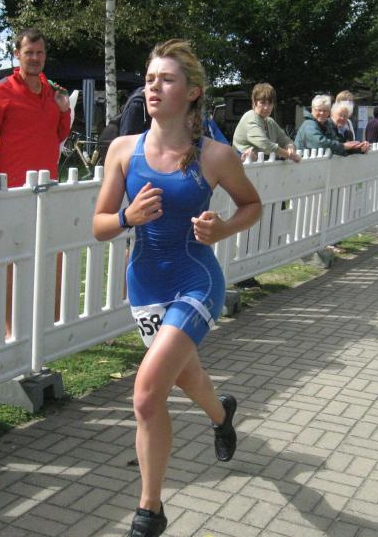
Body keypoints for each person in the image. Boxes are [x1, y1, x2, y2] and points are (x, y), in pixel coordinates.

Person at [92, 39, 262, 537]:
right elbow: (99, 225)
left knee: (147, 394)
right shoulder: (123, 150)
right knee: (187, 377)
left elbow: (251, 205)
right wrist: (127, 216)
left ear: (192, 92)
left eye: (166, 80)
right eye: (149, 79)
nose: (153, 87)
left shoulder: (215, 155)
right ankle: (221, 415)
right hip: (145, 284)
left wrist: (221, 228)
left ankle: (150, 512)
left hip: (195, 281)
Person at [0, 28, 71, 331]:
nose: (34, 58)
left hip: (48, 188)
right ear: (17, 54)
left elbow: (60, 134)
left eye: (39, 52)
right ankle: (10, 329)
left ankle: (52, 325)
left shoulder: (53, 91)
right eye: (28, 52)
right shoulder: (0, 90)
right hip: (14, 191)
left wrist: (64, 111)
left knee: (53, 254)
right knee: (11, 260)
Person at [232, 83, 299, 162]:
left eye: (270, 103)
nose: (266, 107)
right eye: (262, 103)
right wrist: (288, 155)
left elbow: (285, 140)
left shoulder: (270, 122)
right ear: (254, 102)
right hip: (240, 165)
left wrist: (290, 146)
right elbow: (265, 145)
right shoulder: (250, 118)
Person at [294, 95, 368, 156]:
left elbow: (336, 146)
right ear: (312, 110)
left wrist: (358, 148)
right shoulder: (309, 124)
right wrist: (343, 146)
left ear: (329, 112)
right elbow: (320, 143)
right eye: (319, 110)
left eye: (325, 110)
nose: (322, 113)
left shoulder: (325, 125)